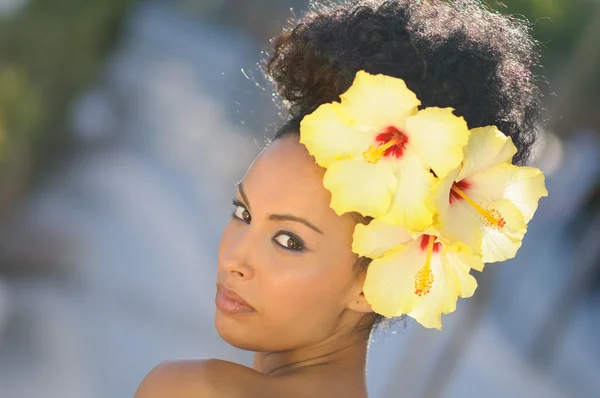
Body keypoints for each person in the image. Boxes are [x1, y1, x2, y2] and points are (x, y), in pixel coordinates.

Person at [134, 0, 546, 397]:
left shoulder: (191, 391)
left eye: (288, 241)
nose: (232, 259)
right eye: (243, 213)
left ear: (372, 284)